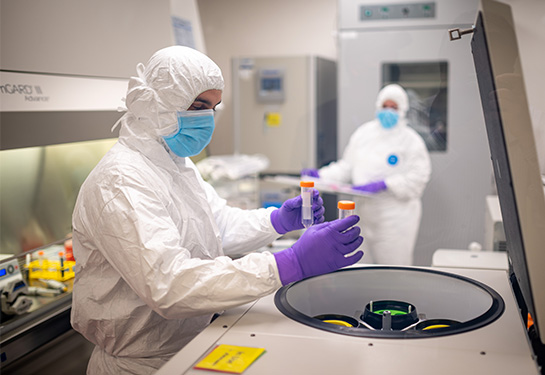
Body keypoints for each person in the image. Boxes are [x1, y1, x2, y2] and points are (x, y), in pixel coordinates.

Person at [70, 46, 363, 375]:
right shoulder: (121, 181)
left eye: (213, 107)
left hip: (193, 343)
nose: (208, 118)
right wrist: (287, 263)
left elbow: (215, 227)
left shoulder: (176, 165)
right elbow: (169, 285)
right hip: (140, 366)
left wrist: (276, 221)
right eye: (198, 106)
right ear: (156, 103)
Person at [302, 84, 431, 265]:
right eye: (385, 106)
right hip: (363, 214)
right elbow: (346, 167)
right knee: (361, 266)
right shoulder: (364, 134)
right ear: (378, 106)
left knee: (394, 270)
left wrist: (385, 184)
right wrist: (320, 175)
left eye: (393, 107)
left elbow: (418, 177)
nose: (388, 111)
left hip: (394, 218)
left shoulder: (411, 140)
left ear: (402, 110)